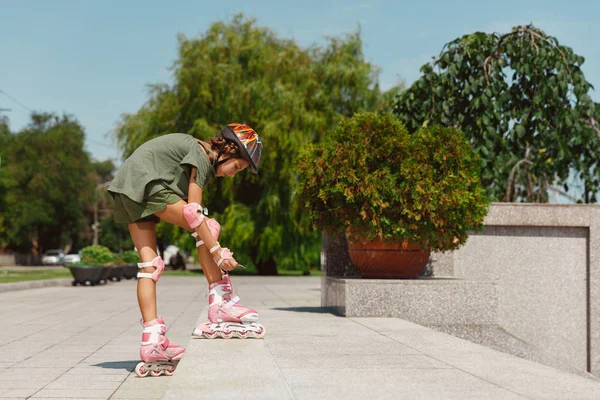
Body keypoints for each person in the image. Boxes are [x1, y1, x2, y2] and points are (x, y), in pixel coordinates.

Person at [107, 123, 264, 377]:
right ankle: (221, 304)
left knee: (150, 266)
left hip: (127, 186)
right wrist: (218, 252)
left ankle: (152, 341)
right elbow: (193, 211)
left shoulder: (198, 154)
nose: (234, 174)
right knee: (208, 225)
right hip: (148, 183)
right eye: (237, 167)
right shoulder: (202, 154)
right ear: (228, 149)